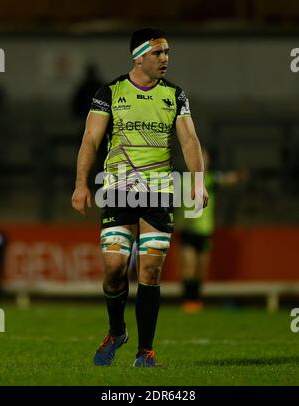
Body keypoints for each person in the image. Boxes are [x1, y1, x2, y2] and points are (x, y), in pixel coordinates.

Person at [71, 28, 208, 367]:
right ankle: (116, 330)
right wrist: (80, 183)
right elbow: (90, 139)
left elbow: (190, 140)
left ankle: (145, 351)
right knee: (115, 268)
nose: (165, 59)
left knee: (151, 271)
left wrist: (198, 181)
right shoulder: (110, 93)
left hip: (159, 190)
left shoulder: (175, 95)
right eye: (158, 53)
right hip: (118, 188)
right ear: (139, 57)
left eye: (167, 53)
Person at [177, 148, 249, 313]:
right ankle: (188, 301)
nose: (202, 160)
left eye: (205, 157)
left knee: (201, 269)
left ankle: (197, 300)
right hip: (187, 230)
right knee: (189, 266)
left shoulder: (210, 179)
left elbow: (226, 179)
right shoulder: (183, 179)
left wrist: (238, 176)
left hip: (205, 231)